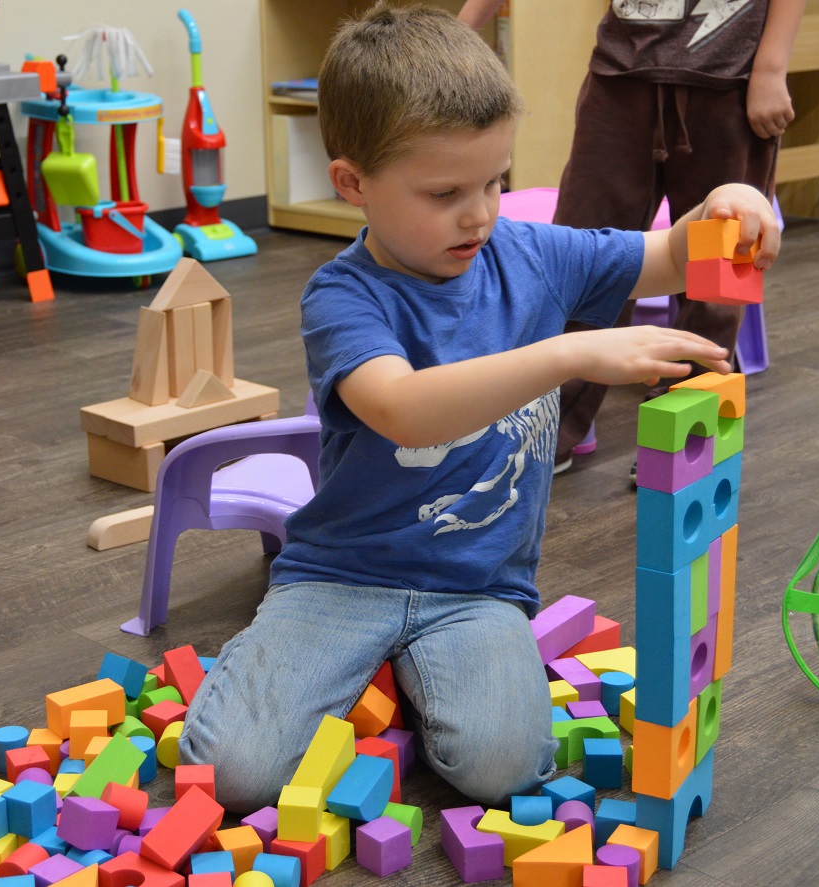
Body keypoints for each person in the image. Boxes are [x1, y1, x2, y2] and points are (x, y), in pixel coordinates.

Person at [178, 2, 779, 813]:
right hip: (343, 574)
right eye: (444, 191)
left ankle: (407, 682)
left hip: (478, 586)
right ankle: (297, 663)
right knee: (235, 777)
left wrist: (727, 207)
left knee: (504, 768)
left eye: (496, 180)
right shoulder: (343, 296)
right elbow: (403, 409)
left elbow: (669, 256)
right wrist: (571, 353)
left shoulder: (530, 253)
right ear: (352, 182)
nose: (481, 213)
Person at [459, 0, 804, 475]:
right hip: (619, 75)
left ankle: (688, 441)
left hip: (731, 82)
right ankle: (550, 429)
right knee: (579, 254)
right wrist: (458, 32)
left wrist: (770, 67)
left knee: (717, 276)